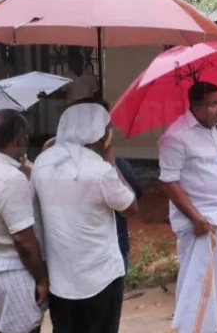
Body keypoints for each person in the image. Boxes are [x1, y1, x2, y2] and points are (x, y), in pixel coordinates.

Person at [31, 103, 138, 333]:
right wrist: (111, 163)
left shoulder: (42, 163)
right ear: (99, 134)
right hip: (101, 276)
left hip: (60, 278)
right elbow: (130, 207)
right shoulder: (99, 170)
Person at [158, 81, 217, 333]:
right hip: (201, 222)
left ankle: (192, 328)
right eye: (214, 104)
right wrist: (195, 218)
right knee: (198, 286)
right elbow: (168, 183)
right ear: (195, 107)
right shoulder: (175, 136)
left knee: (212, 284)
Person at [41, 97, 143, 273]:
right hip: (101, 260)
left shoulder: (52, 162)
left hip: (66, 255)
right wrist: (110, 164)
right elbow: (131, 205)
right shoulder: (111, 167)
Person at [0, 110, 48, 333]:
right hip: (11, 275)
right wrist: (42, 279)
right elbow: (23, 241)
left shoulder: (6, 173)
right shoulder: (11, 179)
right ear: (20, 139)